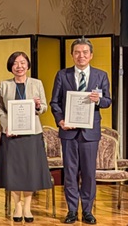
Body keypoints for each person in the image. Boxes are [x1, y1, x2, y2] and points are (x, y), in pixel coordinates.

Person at [50, 37, 111, 225]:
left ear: (91, 55)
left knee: (89, 173)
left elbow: (107, 101)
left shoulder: (101, 75)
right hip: (68, 132)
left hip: (90, 133)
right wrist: (60, 121)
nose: (81, 56)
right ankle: (71, 210)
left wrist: (98, 100)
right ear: (72, 55)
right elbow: (55, 102)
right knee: (70, 172)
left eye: (85, 52)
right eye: (77, 52)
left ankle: (87, 211)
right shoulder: (63, 75)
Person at [0, 51, 52, 223]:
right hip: (11, 134)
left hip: (32, 134)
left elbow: (44, 107)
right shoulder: (4, 85)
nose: (19, 66)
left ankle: (27, 207)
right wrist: (6, 125)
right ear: (10, 66)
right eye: (15, 63)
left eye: (22, 62)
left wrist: (38, 106)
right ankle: (17, 206)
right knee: (14, 171)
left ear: (28, 65)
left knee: (29, 171)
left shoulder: (37, 83)